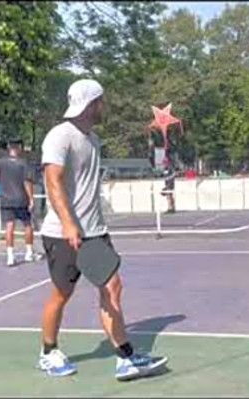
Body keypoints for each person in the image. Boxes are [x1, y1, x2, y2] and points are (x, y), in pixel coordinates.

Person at [37, 79, 168, 380]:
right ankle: (48, 352)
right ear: (91, 104)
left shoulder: (93, 139)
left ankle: (126, 357)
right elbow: (52, 181)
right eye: (101, 102)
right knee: (61, 294)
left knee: (112, 287)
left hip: (94, 231)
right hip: (63, 233)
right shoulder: (60, 136)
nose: (103, 107)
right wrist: (70, 224)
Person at [0, 139, 38, 266]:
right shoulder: (24, 163)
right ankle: (29, 253)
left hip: (6, 200)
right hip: (21, 199)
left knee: (9, 226)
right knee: (27, 225)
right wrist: (31, 199)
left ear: (8, 146)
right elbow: (27, 182)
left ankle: (10, 256)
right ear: (19, 147)